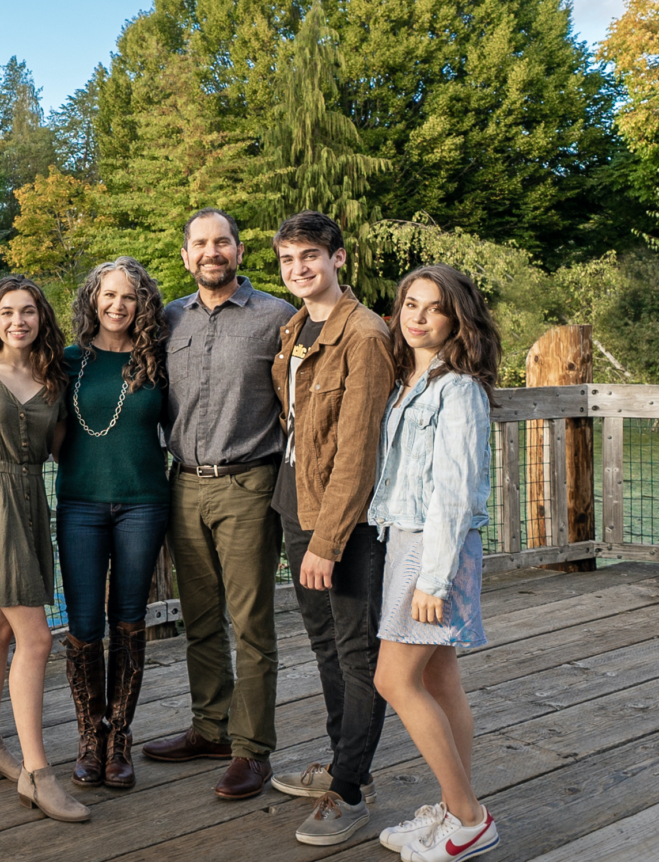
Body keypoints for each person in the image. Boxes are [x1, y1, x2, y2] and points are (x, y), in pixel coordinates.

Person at [141, 208, 296, 800]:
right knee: (200, 621)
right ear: (185, 256)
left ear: (238, 250)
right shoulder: (169, 319)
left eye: (222, 242)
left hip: (248, 485)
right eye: (200, 244)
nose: (212, 252)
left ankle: (252, 749)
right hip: (183, 485)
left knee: (251, 625)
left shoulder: (277, 318)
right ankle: (210, 727)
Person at [266, 211, 395, 846]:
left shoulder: (365, 335)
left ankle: (348, 790)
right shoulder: (295, 327)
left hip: (342, 520)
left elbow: (357, 451)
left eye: (311, 256)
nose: (300, 269)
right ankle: (351, 764)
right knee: (322, 643)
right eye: (289, 260)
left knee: (355, 650)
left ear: (339, 259)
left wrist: (327, 539)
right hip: (294, 500)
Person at [369, 265, 501, 861]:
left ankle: (469, 820)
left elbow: (452, 490)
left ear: (457, 318)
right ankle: (454, 812)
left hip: (432, 548)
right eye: (410, 305)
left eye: (433, 308)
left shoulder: (460, 389)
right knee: (440, 679)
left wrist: (432, 578)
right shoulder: (410, 382)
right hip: (406, 539)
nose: (416, 317)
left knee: (393, 680)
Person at [0, 275, 89, 823]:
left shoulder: (54, 380)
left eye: (29, 311)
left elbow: (62, 451)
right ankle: (37, 772)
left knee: (0, 625)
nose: (18, 320)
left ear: (41, 318)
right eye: (8, 311)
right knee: (37, 638)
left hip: (31, 500)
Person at [55, 257, 170, 790]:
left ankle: (118, 735)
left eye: (128, 296)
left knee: (127, 617)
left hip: (142, 503)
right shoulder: (68, 361)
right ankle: (88, 737)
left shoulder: (157, 360)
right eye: (108, 296)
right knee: (83, 622)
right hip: (79, 503)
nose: (117, 305)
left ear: (142, 302)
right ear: (92, 300)